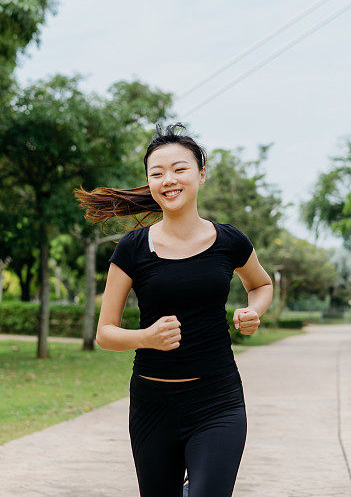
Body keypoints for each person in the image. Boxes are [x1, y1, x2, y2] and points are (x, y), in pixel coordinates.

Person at [74, 123, 273, 496]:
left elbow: (260, 284)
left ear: (200, 175)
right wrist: (146, 337)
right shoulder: (132, 249)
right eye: (157, 172)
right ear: (149, 182)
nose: (169, 179)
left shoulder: (229, 241)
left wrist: (253, 311)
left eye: (179, 169)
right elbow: (105, 333)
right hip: (153, 405)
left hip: (217, 402)